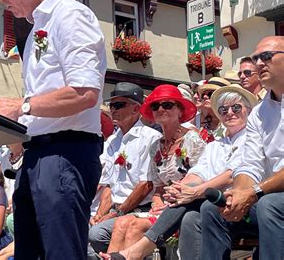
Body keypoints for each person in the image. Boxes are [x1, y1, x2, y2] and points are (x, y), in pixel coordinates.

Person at [0, 0, 106, 259]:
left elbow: (85, 92)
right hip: (38, 154)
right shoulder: (39, 25)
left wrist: (21, 106)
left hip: (65, 153)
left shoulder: (71, 16)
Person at [100, 84, 257, 260]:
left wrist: (192, 192)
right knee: (188, 218)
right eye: (223, 109)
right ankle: (125, 254)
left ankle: (135, 251)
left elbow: (231, 174)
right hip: (186, 203)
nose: (229, 112)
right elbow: (197, 174)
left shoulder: (251, 139)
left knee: (133, 224)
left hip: (239, 205)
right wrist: (181, 189)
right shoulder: (215, 145)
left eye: (236, 107)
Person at [200, 36, 284, 260]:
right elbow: (250, 163)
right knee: (212, 211)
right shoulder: (258, 113)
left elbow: (259, 189)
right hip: (271, 198)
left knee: (269, 205)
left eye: (266, 57)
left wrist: (254, 192)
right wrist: (238, 195)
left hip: (271, 201)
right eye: (255, 58)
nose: (258, 63)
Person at [99, 85, 205, 257]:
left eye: (168, 105)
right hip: (162, 208)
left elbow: (203, 179)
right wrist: (157, 203)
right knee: (121, 223)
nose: (161, 109)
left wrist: (167, 205)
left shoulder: (192, 139)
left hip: (187, 208)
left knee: (135, 226)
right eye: (155, 106)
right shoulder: (156, 146)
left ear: (180, 110)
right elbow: (157, 188)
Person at [88, 83, 162, 258]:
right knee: (89, 231)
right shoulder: (113, 140)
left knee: (96, 234)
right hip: (117, 209)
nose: (113, 109)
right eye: (112, 105)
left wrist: (116, 213)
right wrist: (100, 214)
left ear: (136, 108)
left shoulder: (150, 138)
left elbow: (146, 185)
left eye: (119, 105)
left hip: (138, 209)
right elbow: (107, 184)